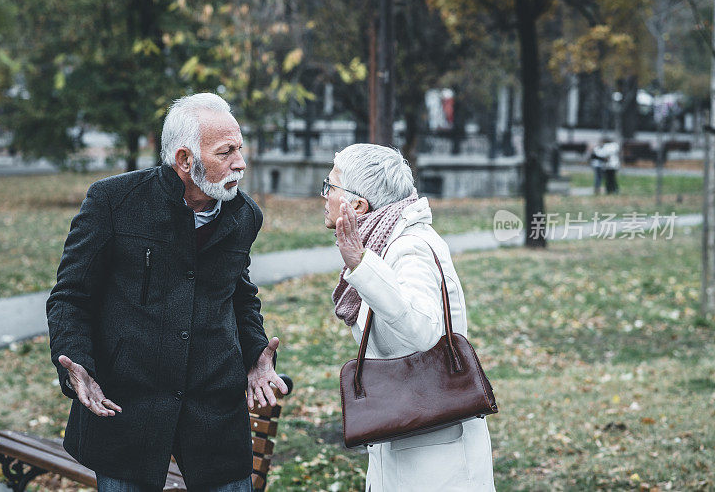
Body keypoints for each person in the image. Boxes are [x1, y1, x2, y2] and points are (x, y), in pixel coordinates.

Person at [46, 93, 287, 492]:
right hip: (126, 404)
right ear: (184, 160)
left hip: (215, 408)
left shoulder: (245, 216)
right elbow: (70, 296)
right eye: (225, 152)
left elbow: (239, 295)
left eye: (239, 150)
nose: (240, 163)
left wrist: (255, 352)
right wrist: (77, 362)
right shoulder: (112, 202)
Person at [324, 143, 495, 491]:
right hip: (408, 433)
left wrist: (362, 266)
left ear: (356, 204)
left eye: (331, 186)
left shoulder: (409, 247)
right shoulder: (386, 241)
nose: (324, 195)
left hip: (436, 462)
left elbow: (423, 333)